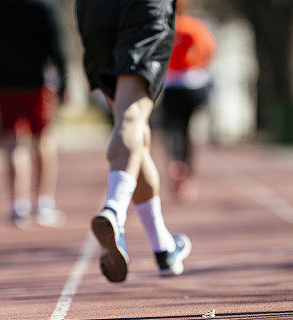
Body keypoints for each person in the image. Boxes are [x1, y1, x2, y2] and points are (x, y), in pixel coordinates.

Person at [75, 0, 191, 283]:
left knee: (135, 129)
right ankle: (114, 209)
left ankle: (163, 248)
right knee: (132, 115)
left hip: (95, 11)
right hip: (142, 8)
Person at [0, 0, 67, 228]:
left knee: (14, 143)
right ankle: (44, 203)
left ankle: (19, 205)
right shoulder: (43, 5)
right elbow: (56, 45)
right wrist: (64, 83)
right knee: (43, 139)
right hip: (37, 84)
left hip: (7, 83)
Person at [161, 0, 216, 201]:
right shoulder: (195, 27)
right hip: (193, 84)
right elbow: (209, 49)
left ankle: (176, 163)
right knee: (188, 131)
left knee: (172, 129)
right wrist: (197, 63)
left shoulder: (164, 26)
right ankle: (189, 176)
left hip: (172, 84)